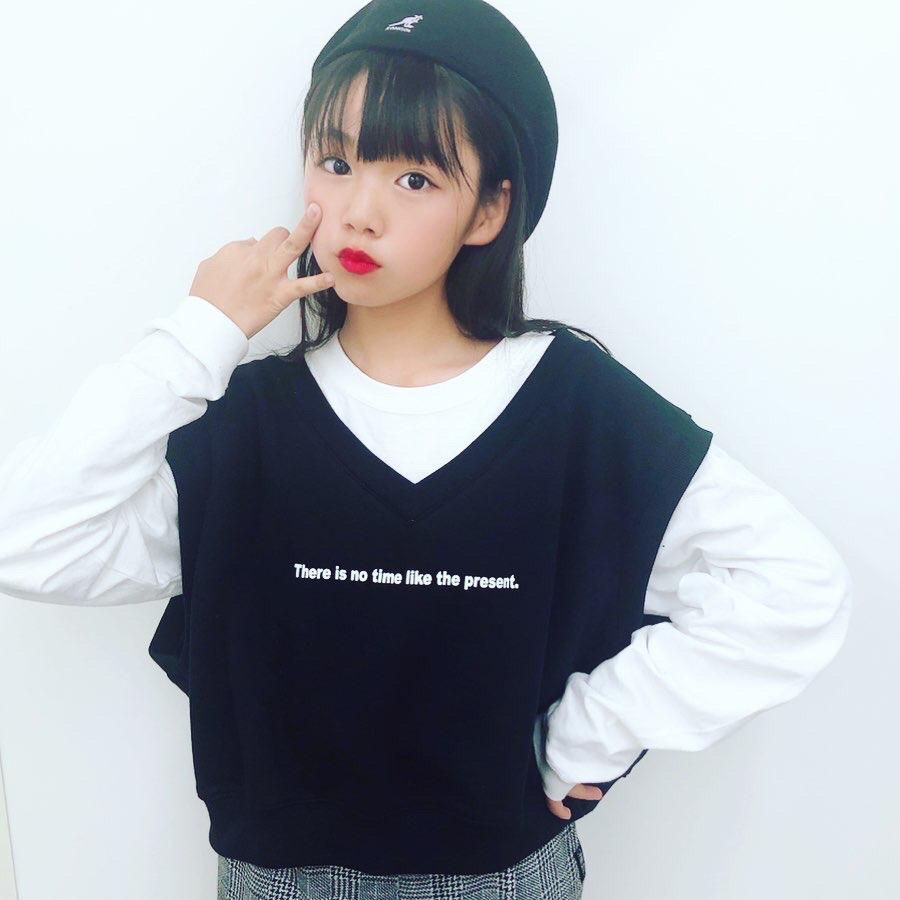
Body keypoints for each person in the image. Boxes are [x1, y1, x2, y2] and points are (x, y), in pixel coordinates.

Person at [0, 1, 853, 898]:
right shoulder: (246, 425)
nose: (359, 213)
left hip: (503, 880)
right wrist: (199, 332)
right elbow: (25, 537)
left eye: (414, 178)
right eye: (336, 162)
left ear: (489, 209)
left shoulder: (578, 408)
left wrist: (591, 732)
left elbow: (793, 588)